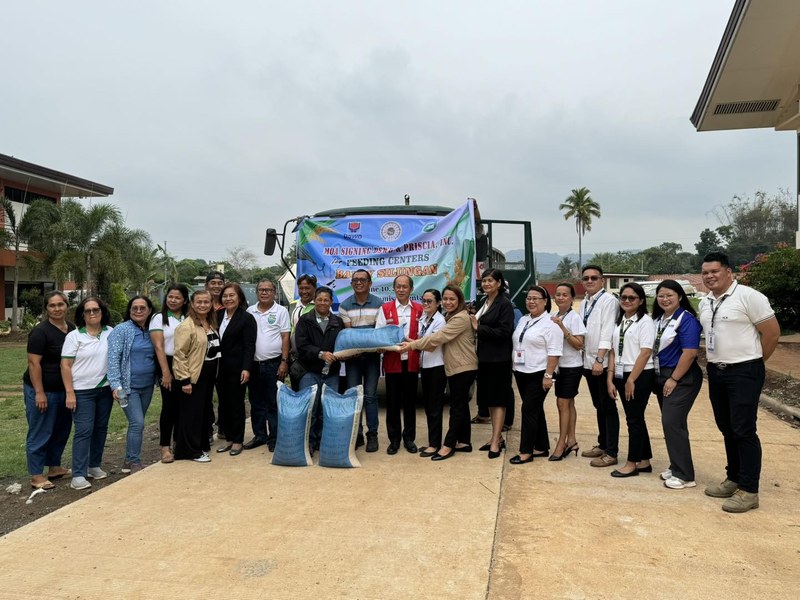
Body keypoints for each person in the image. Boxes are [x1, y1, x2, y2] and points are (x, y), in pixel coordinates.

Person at [698, 251, 780, 513]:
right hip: (716, 371)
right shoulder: (706, 302)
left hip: (744, 371)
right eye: (705, 273)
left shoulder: (748, 296)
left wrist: (754, 362)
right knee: (727, 426)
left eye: (715, 271)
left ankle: (749, 489)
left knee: (744, 429)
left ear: (728, 272)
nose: (710, 276)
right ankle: (733, 477)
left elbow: (771, 333)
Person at [398, 285, 478, 461]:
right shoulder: (447, 317)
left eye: (452, 299)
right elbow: (428, 340)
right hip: (454, 366)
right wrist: (412, 341)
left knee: (456, 408)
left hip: (462, 367)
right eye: (446, 299)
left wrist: (411, 345)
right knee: (461, 405)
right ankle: (464, 441)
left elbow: (436, 340)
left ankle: (447, 445)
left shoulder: (457, 319)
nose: (448, 302)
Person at [651, 279, 703, 490]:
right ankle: (676, 466)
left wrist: (674, 379)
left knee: (672, 422)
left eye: (669, 295)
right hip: (662, 375)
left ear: (680, 297)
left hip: (682, 378)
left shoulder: (686, 319)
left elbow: (690, 353)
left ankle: (685, 476)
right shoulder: (660, 319)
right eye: (661, 296)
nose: (665, 299)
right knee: (673, 424)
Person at [23, 291, 75, 490]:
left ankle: (54, 467)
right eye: (52, 305)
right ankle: (36, 475)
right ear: (46, 308)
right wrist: (39, 392)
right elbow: (33, 364)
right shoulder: (40, 332)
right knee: (40, 430)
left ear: (66, 306)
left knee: (61, 429)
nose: (57, 309)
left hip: (64, 390)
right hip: (43, 389)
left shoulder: (71, 329)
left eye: (60, 304)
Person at [61, 298, 113, 491]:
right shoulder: (74, 336)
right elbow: (65, 366)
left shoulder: (110, 332)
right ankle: (78, 475)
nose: (92, 313)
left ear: (102, 311)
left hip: (105, 389)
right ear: (82, 314)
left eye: (96, 310)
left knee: (100, 428)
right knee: (84, 431)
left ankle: (94, 465)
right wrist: (70, 393)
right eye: (88, 311)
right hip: (81, 391)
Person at [606, 283, 655, 478]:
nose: (626, 301)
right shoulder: (620, 321)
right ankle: (644, 460)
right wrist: (610, 379)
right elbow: (613, 351)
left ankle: (632, 463)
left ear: (641, 301)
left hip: (639, 375)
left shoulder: (645, 322)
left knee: (634, 419)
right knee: (636, 418)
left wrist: (632, 379)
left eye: (632, 298)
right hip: (620, 373)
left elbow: (645, 353)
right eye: (623, 297)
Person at [510, 286, 562, 464]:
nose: (531, 301)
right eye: (529, 298)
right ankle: (541, 446)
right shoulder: (524, 319)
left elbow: (554, 352)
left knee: (528, 410)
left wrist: (548, 376)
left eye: (535, 298)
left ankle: (526, 451)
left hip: (539, 373)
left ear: (545, 301)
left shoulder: (551, 323)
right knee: (535, 409)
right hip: (522, 371)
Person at [107, 295, 157, 474]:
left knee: (137, 423)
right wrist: (115, 385)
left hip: (147, 385)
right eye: (134, 308)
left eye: (142, 308)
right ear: (129, 310)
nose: (138, 311)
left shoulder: (152, 329)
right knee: (137, 423)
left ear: (149, 310)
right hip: (128, 387)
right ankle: (134, 462)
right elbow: (113, 359)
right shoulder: (121, 330)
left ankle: (129, 459)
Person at [579, 265, 621, 467]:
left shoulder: (608, 301)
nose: (589, 281)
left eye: (594, 278)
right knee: (598, 405)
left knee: (608, 406)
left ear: (602, 280)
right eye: (586, 278)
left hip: (600, 363)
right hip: (587, 362)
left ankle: (611, 452)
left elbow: (608, 332)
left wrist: (600, 360)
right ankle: (602, 443)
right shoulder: (585, 302)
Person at [376, 275, 423, 455]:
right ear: (394, 289)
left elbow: (423, 335)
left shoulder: (419, 309)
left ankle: (409, 438)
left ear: (411, 289)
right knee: (393, 402)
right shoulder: (385, 309)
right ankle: (394, 440)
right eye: (398, 286)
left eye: (405, 286)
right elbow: (379, 334)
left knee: (410, 402)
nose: (401, 289)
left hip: (411, 362)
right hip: (392, 362)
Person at [471, 269, 515, 458]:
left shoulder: (504, 304)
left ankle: (496, 441)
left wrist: (478, 327)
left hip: (499, 359)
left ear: (499, 283)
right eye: (484, 281)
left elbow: (504, 333)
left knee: (498, 400)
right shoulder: (485, 301)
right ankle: (494, 437)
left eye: (490, 281)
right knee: (489, 399)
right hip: (485, 358)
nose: (486, 284)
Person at [295, 286, 344, 454]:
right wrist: (320, 354)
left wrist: (341, 355)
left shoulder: (338, 322)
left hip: (332, 373)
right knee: (309, 410)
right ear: (314, 301)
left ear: (331, 302)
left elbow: (342, 344)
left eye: (326, 300)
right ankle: (308, 443)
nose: (323, 303)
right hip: (309, 371)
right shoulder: (305, 320)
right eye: (320, 299)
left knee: (326, 410)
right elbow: (301, 346)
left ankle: (323, 443)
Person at [338, 269, 383, 452]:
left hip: (372, 358)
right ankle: (356, 435)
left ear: (370, 283)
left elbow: (378, 332)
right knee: (354, 397)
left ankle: (372, 435)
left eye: (362, 280)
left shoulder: (379, 304)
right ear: (351, 284)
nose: (358, 282)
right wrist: (364, 340)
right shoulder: (345, 305)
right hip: (353, 359)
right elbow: (349, 335)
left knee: (370, 396)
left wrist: (365, 340)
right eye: (355, 280)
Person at [173, 290, 220, 463]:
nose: (203, 305)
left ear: (211, 304)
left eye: (206, 302)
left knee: (202, 412)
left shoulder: (208, 322)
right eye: (199, 302)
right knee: (191, 414)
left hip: (208, 374)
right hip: (193, 376)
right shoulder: (187, 326)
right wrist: (185, 380)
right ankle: (190, 451)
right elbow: (180, 355)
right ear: (192, 304)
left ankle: (199, 446)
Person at [245, 279, 290, 452]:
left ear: (274, 293)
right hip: (254, 365)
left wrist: (284, 362)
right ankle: (259, 435)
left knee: (273, 402)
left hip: (274, 364)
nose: (264, 293)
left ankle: (275, 438)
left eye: (268, 290)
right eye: (261, 290)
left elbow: (285, 337)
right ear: (257, 292)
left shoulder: (281, 311)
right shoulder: (250, 311)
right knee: (256, 402)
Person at [150, 284, 189, 464]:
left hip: (187, 364)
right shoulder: (159, 318)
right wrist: (166, 372)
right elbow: (158, 346)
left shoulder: (188, 317)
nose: (173, 300)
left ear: (185, 300)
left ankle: (179, 443)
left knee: (184, 406)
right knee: (169, 407)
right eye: (170, 297)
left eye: (177, 297)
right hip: (167, 362)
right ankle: (165, 447)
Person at [215, 283, 256, 456]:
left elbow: (249, 346)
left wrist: (246, 368)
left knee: (236, 404)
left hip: (237, 368)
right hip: (218, 368)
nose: (228, 299)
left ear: (239, 297)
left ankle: (238, 440)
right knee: (223, 404)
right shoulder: (217, 315)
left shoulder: (246, 318)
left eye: (232, 295)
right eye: (225, 296)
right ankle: (229, 439)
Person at [549, 282, 586, 461]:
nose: (561, 297)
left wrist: (563, 328)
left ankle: (561, 443)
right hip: (559, 367)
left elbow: (580, 345)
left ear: (572, 298)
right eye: (558, 294)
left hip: (572, 366)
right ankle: (572, 440)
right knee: (568, 404)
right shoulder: (553, 315)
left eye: (565, 294)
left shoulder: (574, 318)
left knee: (562, 404)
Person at [417, 289, 447, 458]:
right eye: (424, 300)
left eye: (430, 301)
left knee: (435, 407)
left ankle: (435, 444)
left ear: (438, 303)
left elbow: (431, 345)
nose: (426, 304)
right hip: (425, 366)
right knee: (428, 406)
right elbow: (422, 341)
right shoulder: (424, 318)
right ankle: (432, 441)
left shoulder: (439, 321)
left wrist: (412, 343)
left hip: (437, 367)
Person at [205, 270, 226, 440]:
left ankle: (223, 427)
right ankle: (207, 428)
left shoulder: (229, 305)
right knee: (205, 394)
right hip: (204, 356)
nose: (217, 286)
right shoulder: (201, 304)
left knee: (224, 393)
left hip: (225, 356)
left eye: (220, 283)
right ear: (207, 285)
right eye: (213, 283)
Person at [289, 274, 317, 390]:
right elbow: (291, 330)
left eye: (307, 288)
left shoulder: (321, 305)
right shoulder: (294, 306)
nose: (304, 291)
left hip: (314, 360)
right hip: (296, 360)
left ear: (314, 288)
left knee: (312, 394)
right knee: (298, 393)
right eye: (301, 288)